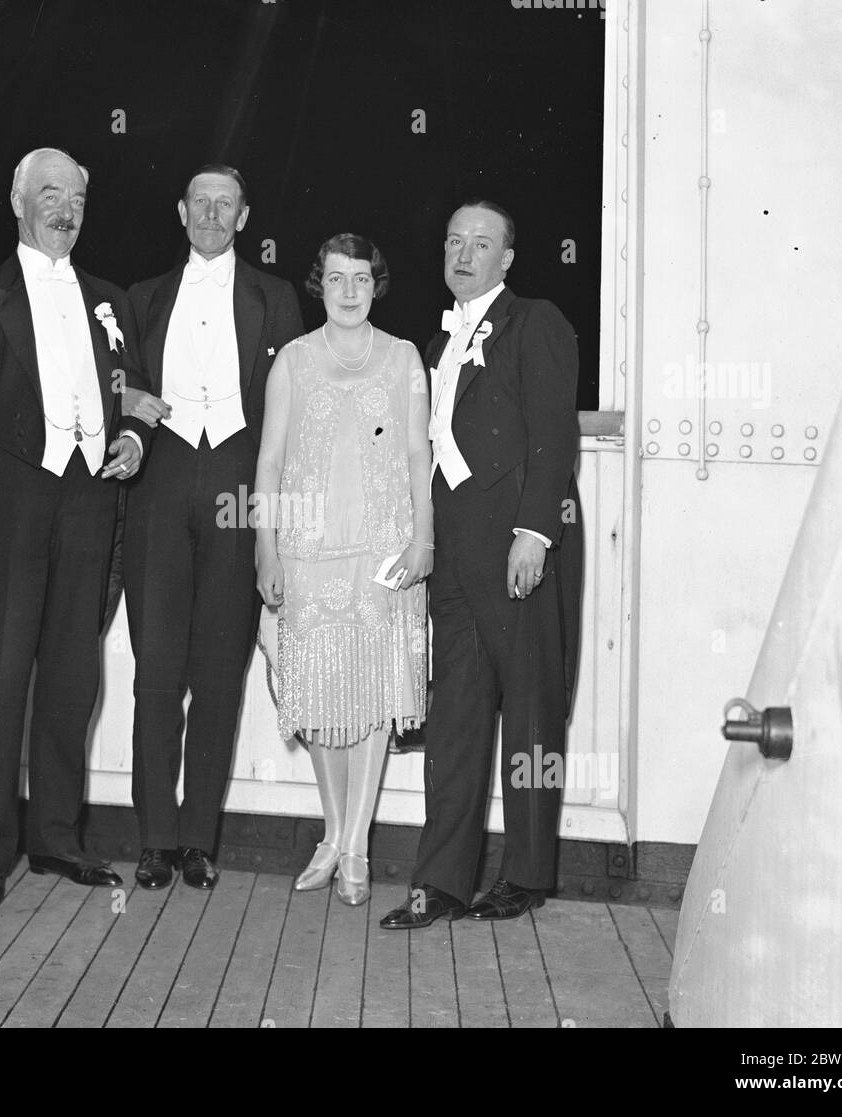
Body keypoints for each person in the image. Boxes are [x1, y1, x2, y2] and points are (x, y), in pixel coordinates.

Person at [0, 147, 153, 908]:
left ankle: (58, 838)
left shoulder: (110, 299)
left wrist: (133, 437)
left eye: (78, 197)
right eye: (50, 193)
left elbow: (135, 396)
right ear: (17, 201)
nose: (65, 208)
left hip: (89, 503)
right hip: (8, 507)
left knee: (69, 679)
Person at [380, 200, 583, 930]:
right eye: (454, 241)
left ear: (507, 260)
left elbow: (555, 434)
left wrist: (534, 533)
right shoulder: (436, 341)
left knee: (530, 710)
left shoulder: (536, 321)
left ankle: (527, 873)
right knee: (457, 716)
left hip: (521, 542)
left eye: (482, 244)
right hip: (457, 553)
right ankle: (442, 880)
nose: (464, 254)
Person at [122, 164, 303, 890]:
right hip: (161, 485)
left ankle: (199, 838)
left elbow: (289, 420)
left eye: (224, 204)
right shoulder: (140, 299)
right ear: (181, 210)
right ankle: (154, 838)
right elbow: (115, 388)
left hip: (240, 483)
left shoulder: (277, 298)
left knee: (221, 675)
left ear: (244, 216)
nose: (211, 213)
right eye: (200, 201)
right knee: (156, 674)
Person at [254, 234, 431, 906]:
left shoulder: (404, 358)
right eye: (336, 279)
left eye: (361, 278)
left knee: (374, 698)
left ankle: (356, 845)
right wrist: (264, 546)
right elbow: (269, 461)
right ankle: (331, 833)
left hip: (384, 550)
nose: (349, 291)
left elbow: (419, 453)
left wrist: (424, 539)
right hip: (308, 549)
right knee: (321, 702)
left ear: (376, 284)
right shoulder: (293, 361)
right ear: (318, 285)